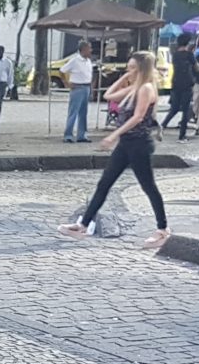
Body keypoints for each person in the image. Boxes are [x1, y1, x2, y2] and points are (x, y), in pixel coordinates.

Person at [57, 52, 169, 250]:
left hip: (139, 144)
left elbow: (138, 117)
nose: (129, 71)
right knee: (105, 183)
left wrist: (113, 135)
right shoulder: (134, 87)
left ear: (142, 69)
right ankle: (83, 225)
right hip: (126, 144)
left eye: (132, 68)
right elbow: (108, 95)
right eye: (128, 67)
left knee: (148, 186)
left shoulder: (146, 88)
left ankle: (162, 229)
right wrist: (124, 78)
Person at [161, 35, 196, 141]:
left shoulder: (175, 55)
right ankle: (182, 135)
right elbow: (197, 67)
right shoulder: (189, 55)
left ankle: (162, 125)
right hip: (187, 84)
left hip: (176, 83)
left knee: (174, 108)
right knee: (185, 110)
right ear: (187, 43)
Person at [60, 40, 94, 143]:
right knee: (73, 112)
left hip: (86, 87)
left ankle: (82, 135)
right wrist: (66, 83)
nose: (91, 51)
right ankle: (68, 135)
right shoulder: (75, 60)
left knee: (83, 113)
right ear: (83, 49)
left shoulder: (88, 61)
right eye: (89, 48)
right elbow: (62, 70)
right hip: (77, 87)